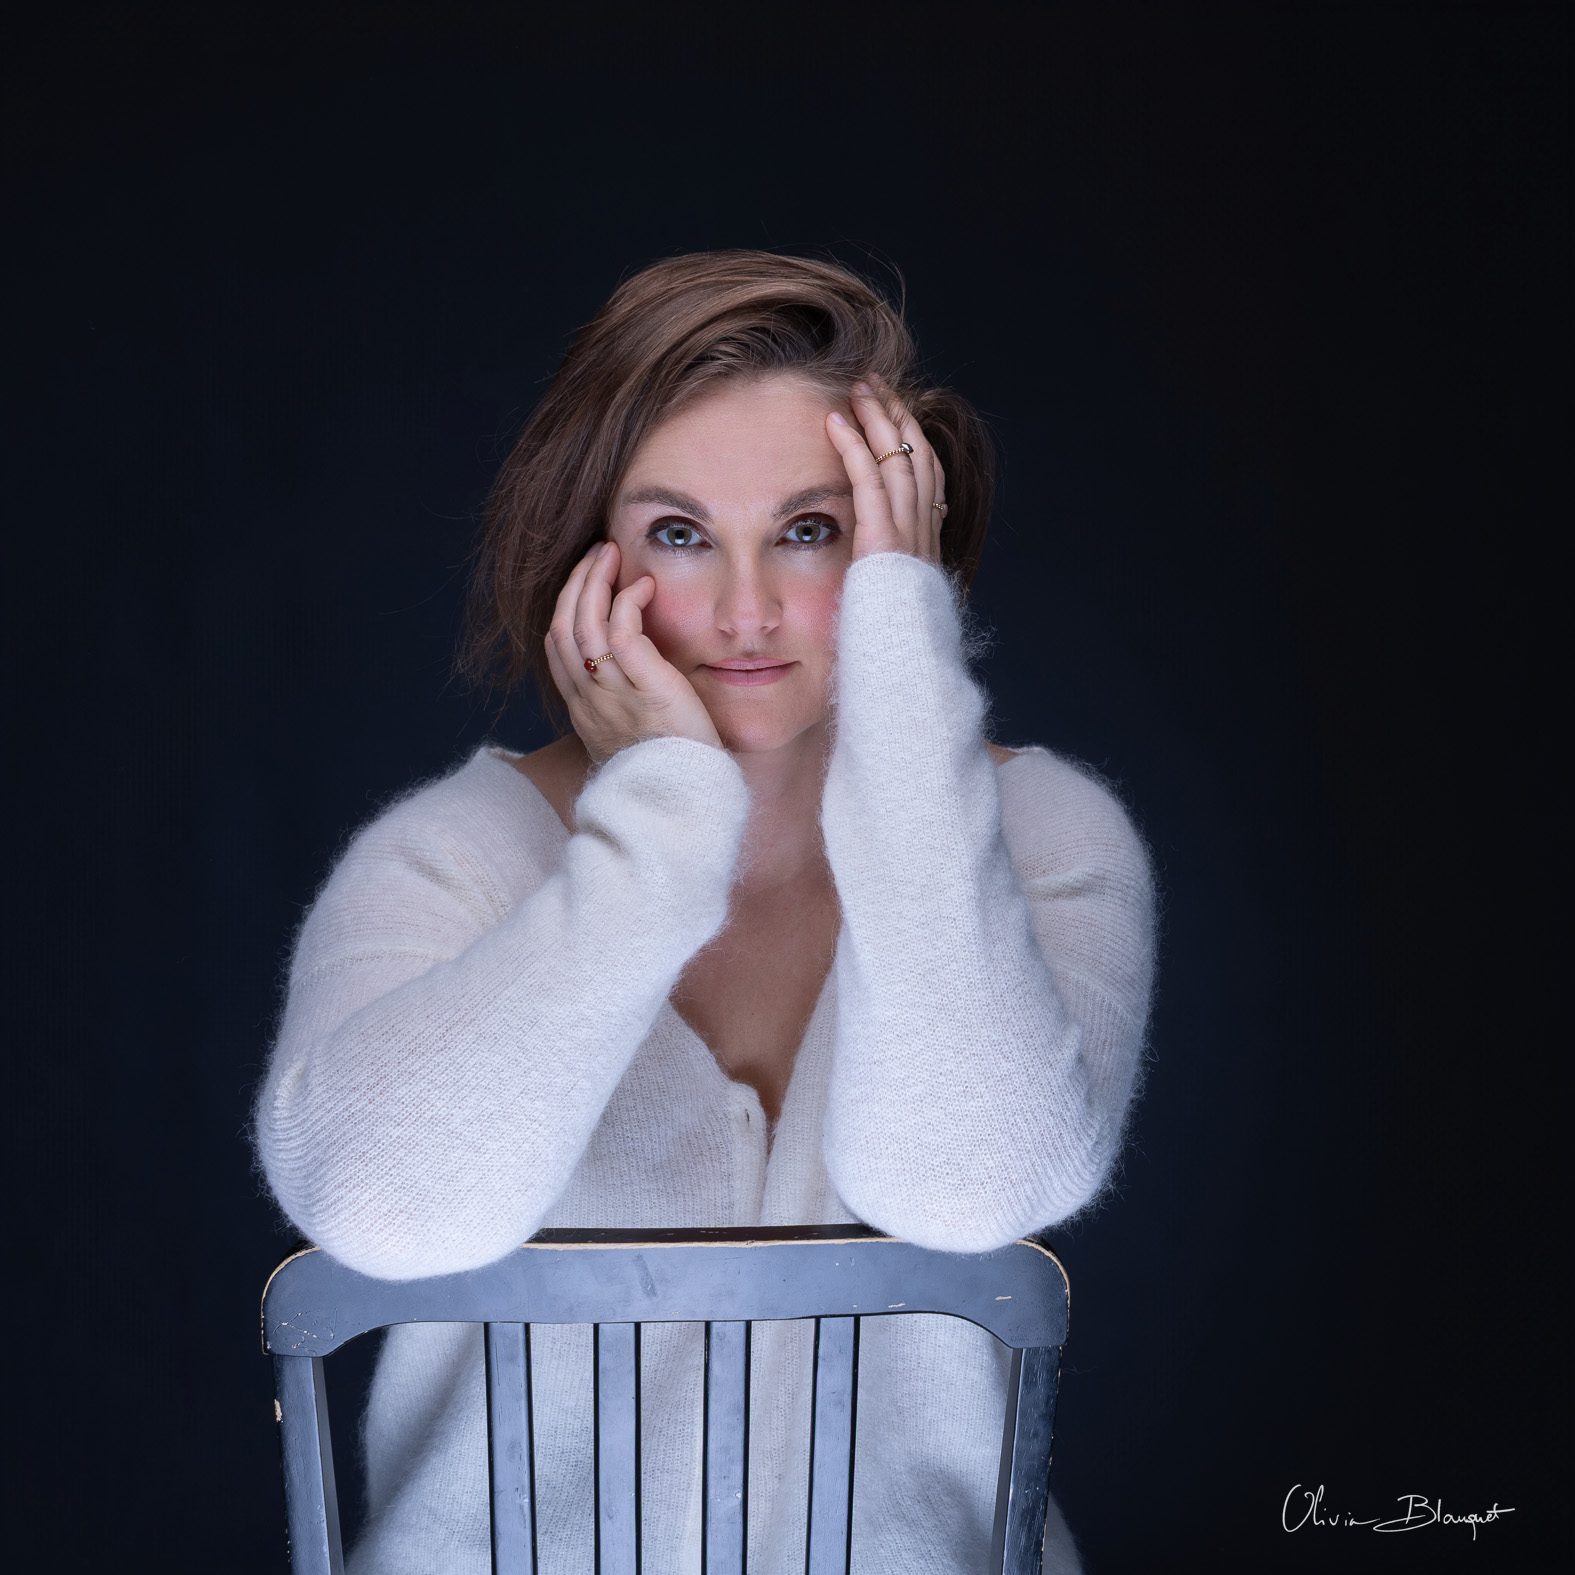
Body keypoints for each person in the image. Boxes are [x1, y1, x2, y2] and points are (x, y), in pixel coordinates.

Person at [249, 249, 1158, 1574]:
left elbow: (974, 1187)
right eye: (680, 533)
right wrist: (661, 829)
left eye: (813, 530)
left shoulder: (1048, 834)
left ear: (902, 547)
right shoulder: (446, 857)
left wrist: (906, 686)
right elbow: (380, 1214)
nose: (745, 611)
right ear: (591, 562)